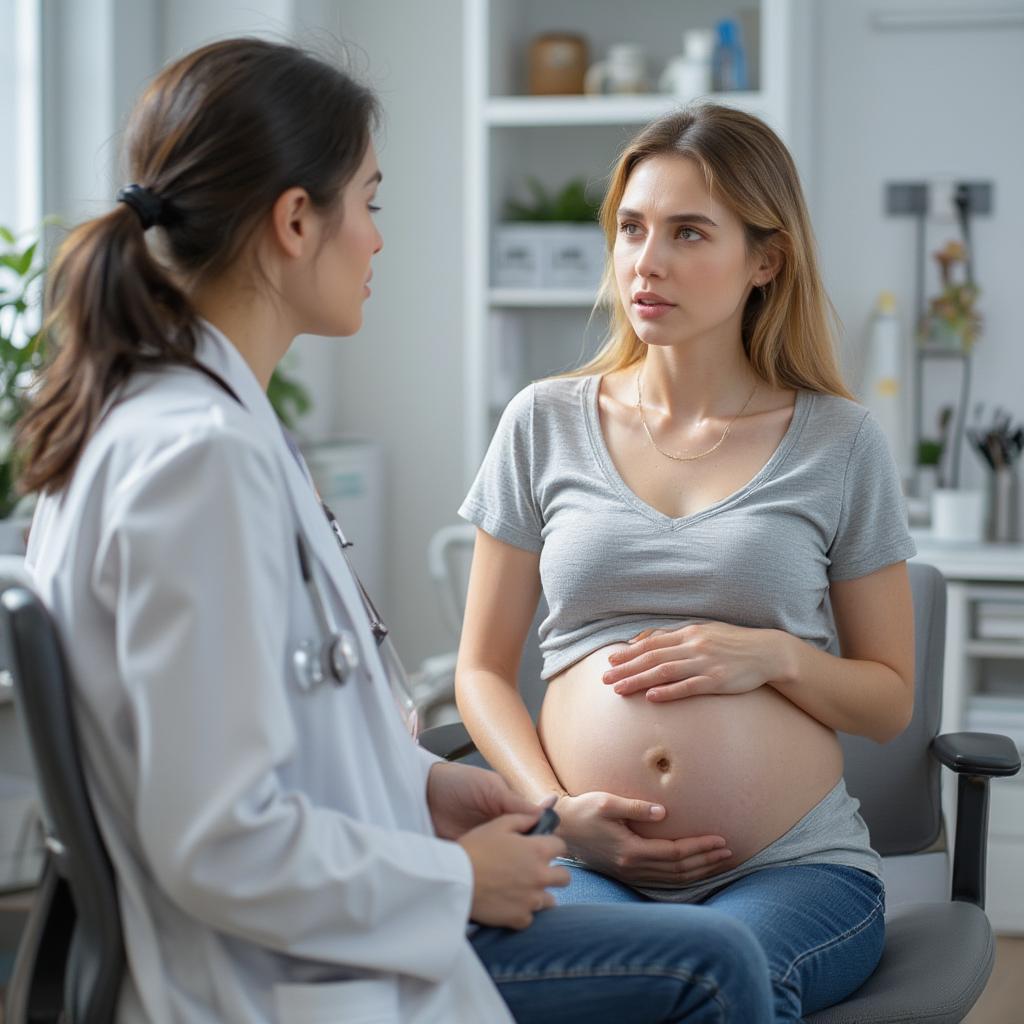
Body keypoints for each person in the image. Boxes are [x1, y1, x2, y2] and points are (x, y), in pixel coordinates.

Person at [17, 41, 779, 1023]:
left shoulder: (187, 421)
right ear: (297, 220)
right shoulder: (193, 459)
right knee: (715, 966)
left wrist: (421, 786)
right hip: (282, 969)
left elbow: (275, 734)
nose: (378, 240)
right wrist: (455, 880)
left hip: (332, 912)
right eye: (368, 202)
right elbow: (215, 839)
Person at [455, 104, 917, 1022]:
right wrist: (556, 811)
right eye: (631, 228)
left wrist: (775, 657)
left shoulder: (840, 442)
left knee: (723, 972)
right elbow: (478, 670)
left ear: (765, 260)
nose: (645, 262)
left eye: (687, 232)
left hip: (793, 870)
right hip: (587, 857)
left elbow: (890, 699)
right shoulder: (542, 421)